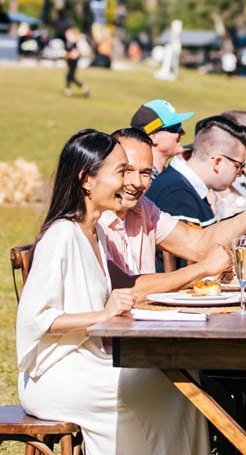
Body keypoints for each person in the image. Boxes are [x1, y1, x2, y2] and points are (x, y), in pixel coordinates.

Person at [16, 129, 210, 455]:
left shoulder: (95, 234)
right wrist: (103, 314)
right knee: (167, 383)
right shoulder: (62, 235)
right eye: (120, 172)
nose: (128, 182)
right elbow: (34, 319)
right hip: (58, 374)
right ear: (86, 180)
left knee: (184, 377)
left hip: (91, 361)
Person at [99, 127, 232, 291]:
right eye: (127, 171)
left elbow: (196, 243)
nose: (137, 182)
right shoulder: (91, 219)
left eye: (145, 173)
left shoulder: (143, 208)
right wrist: (203, 268)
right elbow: (125, 287)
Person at [146, 114, 246, 233]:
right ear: (218, 162)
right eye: (238, 166)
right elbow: (194, 255)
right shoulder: (178, 194)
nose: (239, 174)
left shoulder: (183, 185)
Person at [131, 98, 194, 180]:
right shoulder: (141, 183)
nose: (182, 132)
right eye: (175, 128)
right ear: (153, 137)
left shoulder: (164, 177)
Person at [63, 26, 89, 97]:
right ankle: (82, 88)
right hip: (70, 62)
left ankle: (69, 90)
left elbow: (74, 54)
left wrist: (68, 56)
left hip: (73, 62)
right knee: (70, 77)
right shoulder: (67, 43)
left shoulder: (73, 43)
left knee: (70, 77)